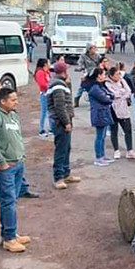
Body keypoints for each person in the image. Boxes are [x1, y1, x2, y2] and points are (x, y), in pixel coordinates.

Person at [0, 88, 31, 252]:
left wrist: (21, 156)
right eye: (13, 100)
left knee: (12, 200)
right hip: (5, 167)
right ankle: (9, 239)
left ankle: (10, 233)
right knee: (7, 201)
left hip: (18, 164)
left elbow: (17, 137)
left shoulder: (14, 115)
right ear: (2, 101)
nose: (16, 102)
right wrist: (1, 162)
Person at [47, 61, 81, 190]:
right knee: (61, 150)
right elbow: (60, 106)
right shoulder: (58, 85)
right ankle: (58, 178)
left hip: (63, 121)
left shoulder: (60, 83)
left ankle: (66, 173)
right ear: (63, 72)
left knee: (66, 148)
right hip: (60, 122)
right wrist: (66, 122)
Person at [105, 67, 135, 159]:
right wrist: (121, 92)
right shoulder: (107, 83)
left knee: (127, 129)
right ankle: (116, 150)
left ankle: (130, 150)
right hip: (113, 108)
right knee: (114, 130)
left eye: (119, 74)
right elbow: (113, 94)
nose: (118, 76)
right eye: (116, 74)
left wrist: (121, 93)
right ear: (111, 76)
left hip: (123, 108)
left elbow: (128, 91)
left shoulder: (122, 80)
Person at [88, 68, 115, 166]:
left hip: (104, 113)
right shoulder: (95, 88)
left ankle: (102, 155)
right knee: (99, 136)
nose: (105, 76)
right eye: (103, 74)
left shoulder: (101, 86)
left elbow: (111, 95)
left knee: (103, 136)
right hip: (99, 114)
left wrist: (109, 96)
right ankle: (98, 157)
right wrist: (109, 97)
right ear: (98, 76)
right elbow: (106, 99)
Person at [74, 43, 100, 107]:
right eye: (93, 48)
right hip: (87, 73)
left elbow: (101, 62)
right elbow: (80, 62)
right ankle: (76, 99)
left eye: (95, 47)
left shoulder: (97, 56)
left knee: (95, 86)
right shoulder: (83, 56)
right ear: (89, 49)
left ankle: (93, 100)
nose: (95, 49)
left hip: (95, 73)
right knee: (82, 87)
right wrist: (81, 67)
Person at [34, 58, 52, 137]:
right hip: (44, 94)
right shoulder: (40, 72)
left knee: (49, 111)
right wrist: (49, 86)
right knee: (44, 112)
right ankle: (42, 130)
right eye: (48, 62)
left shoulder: (46, 71)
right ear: (45, 64)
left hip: (48, 93)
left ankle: (51, 128)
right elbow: (42, 84)